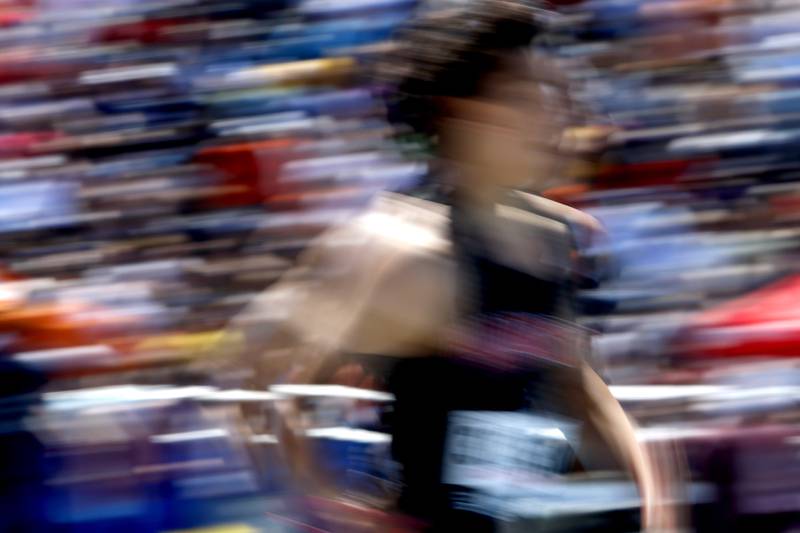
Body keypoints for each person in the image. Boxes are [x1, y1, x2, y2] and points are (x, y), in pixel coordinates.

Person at [223, 1, 679, 530]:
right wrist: (318, 504)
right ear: (459, 113)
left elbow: (578, 383)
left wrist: (655, 500)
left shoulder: (556, 239)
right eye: (525, 97)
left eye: (553, 95)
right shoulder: (412, 259)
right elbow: (260, 379)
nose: (552, 116)